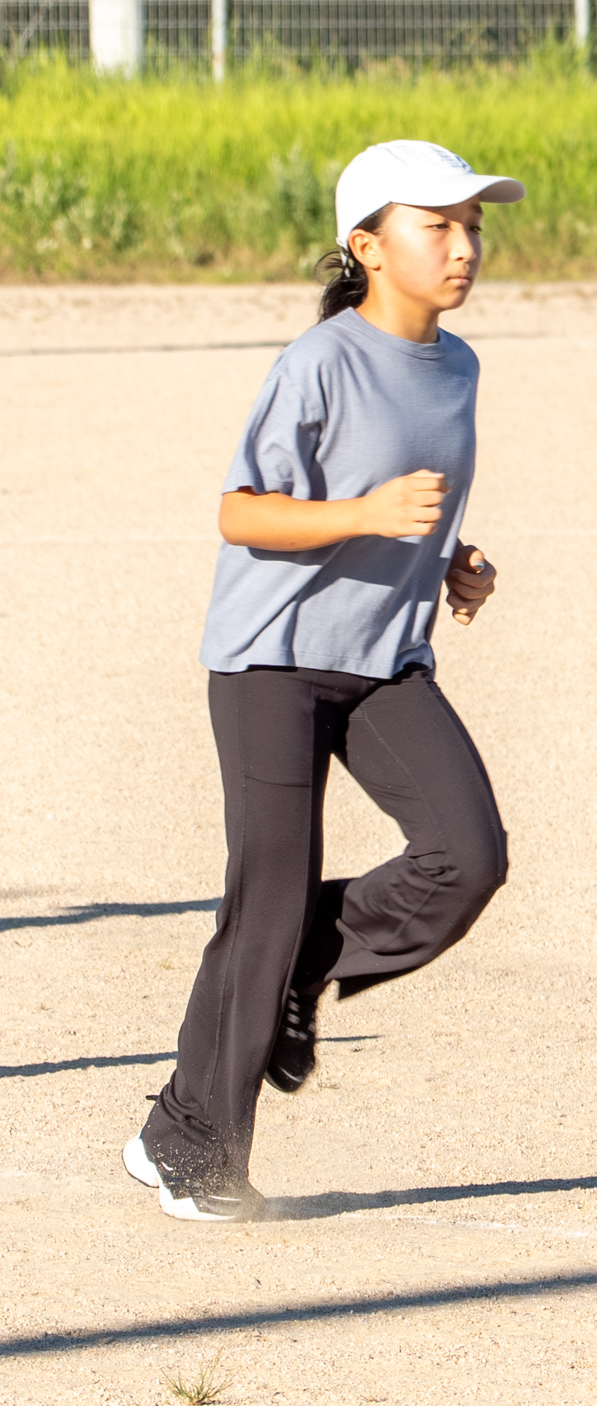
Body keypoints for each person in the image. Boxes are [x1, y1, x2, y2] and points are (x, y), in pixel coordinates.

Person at [124, 140, 520, 1221]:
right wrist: (367, 516)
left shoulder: (459, 364)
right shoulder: (319, 362)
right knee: (266, 897)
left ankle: (297, 966)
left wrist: (453, 562)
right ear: (366, 247)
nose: (463, 245)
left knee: (467, 857)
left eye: (472, 225)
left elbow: (406, 505)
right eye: (436, 225)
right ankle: (191, 1147)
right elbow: (242, 512)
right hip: (275, 660)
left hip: (385, 660)